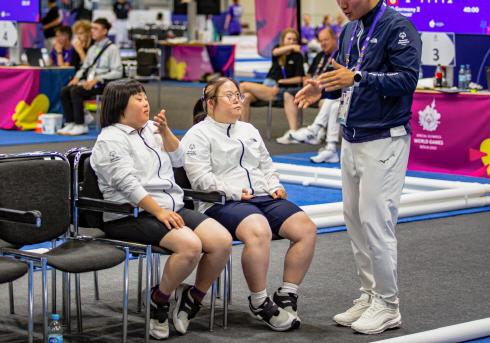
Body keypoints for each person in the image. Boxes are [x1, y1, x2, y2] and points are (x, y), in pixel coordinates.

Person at [295, 0, 421, 334]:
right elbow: (343, 77)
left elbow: (407, 81)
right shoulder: (350, 30)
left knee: (376, 223)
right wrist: (322, 86)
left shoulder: (399, 27)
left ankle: (389, 304)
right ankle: (369, 294)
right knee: (354, 221)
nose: (342, 4)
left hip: (385, 137)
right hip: (352, 135)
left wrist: (360, 76)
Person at [91, 78, 232, 339]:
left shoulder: (150, 130)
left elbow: (180, 161)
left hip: (170, 207)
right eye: (139, 99)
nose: (146, 103)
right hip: (130, 214)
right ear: (119, 105)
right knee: (190, 246)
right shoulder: (110, 140)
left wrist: (166, 132)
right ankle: (159, 300)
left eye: (145, 97)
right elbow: (128, 185)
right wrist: (158, 211)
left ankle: (192, 297)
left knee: (222, 241)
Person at [182, 77, 316, 331]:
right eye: (230, 96)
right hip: (221, 201)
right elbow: (201, 180)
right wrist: (235, 191)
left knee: (305, 228)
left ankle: (287, 294)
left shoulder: (248, 130)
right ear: (211, 103)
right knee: (259, 229)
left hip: (261, 197)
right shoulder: (197, 135)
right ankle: (259, 301)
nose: (237, 101)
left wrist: (275, 185)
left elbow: (266, 165)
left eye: (239, 96)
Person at [278, 28, 342, 164]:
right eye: (321, 40)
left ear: (334, 39)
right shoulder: (319, 56)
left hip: (331, 91)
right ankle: (328, 146)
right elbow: (308, 75)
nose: (324, 43)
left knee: (331, 102)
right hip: (316, 89)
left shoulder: (340, 56)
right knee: (289, 95)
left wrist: (323, 80)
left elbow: (339, 79)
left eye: (326, 40)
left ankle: (315, 131)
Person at [58, 18, 123, 136]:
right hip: (89, 82)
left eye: (96, 29)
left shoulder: (112, 49)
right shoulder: (93, 49)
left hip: (104, 84)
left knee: (76, 91)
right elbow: (85, 67)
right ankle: (70, 122)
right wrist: (77, 78)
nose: (92, 31)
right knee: (65, 90)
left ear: (104, 31)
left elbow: (118, 72)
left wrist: (97, 79)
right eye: (92, 28)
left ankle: (80, 125)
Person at [239, 28, 304, 123]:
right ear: (283, 39)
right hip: (267, 86)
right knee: (246, 98)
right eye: (289, 39)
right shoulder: (278, 50)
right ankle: (243, 131)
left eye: (294, 40)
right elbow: (275, 52)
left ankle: (226, 117)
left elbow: (299, 79)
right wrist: (291, 47)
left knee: (243, 86)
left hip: (280, 89)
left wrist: (280, 83)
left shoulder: (298, 56)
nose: (292, 42)